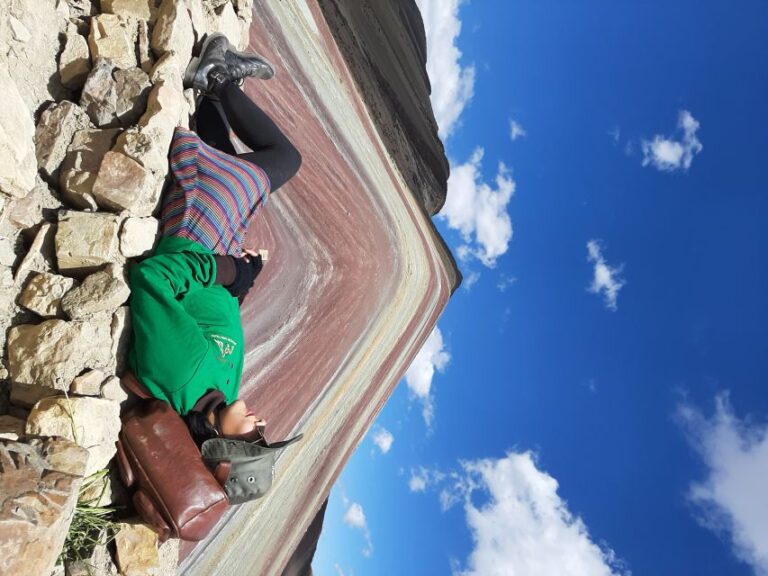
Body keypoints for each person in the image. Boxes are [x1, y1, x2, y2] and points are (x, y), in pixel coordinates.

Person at [126, 33, 301, 446]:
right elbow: (213, 316)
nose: (262, 424)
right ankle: (215, 97)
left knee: (284, 160)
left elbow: (154, 278)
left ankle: (219, 78)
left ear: (220, 445)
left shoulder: (179, 373)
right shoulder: (224, 390)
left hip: (192, 234)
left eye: (255, 437)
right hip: (215, 251)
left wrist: (230, 270)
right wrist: (244, 279)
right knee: (233, 166)